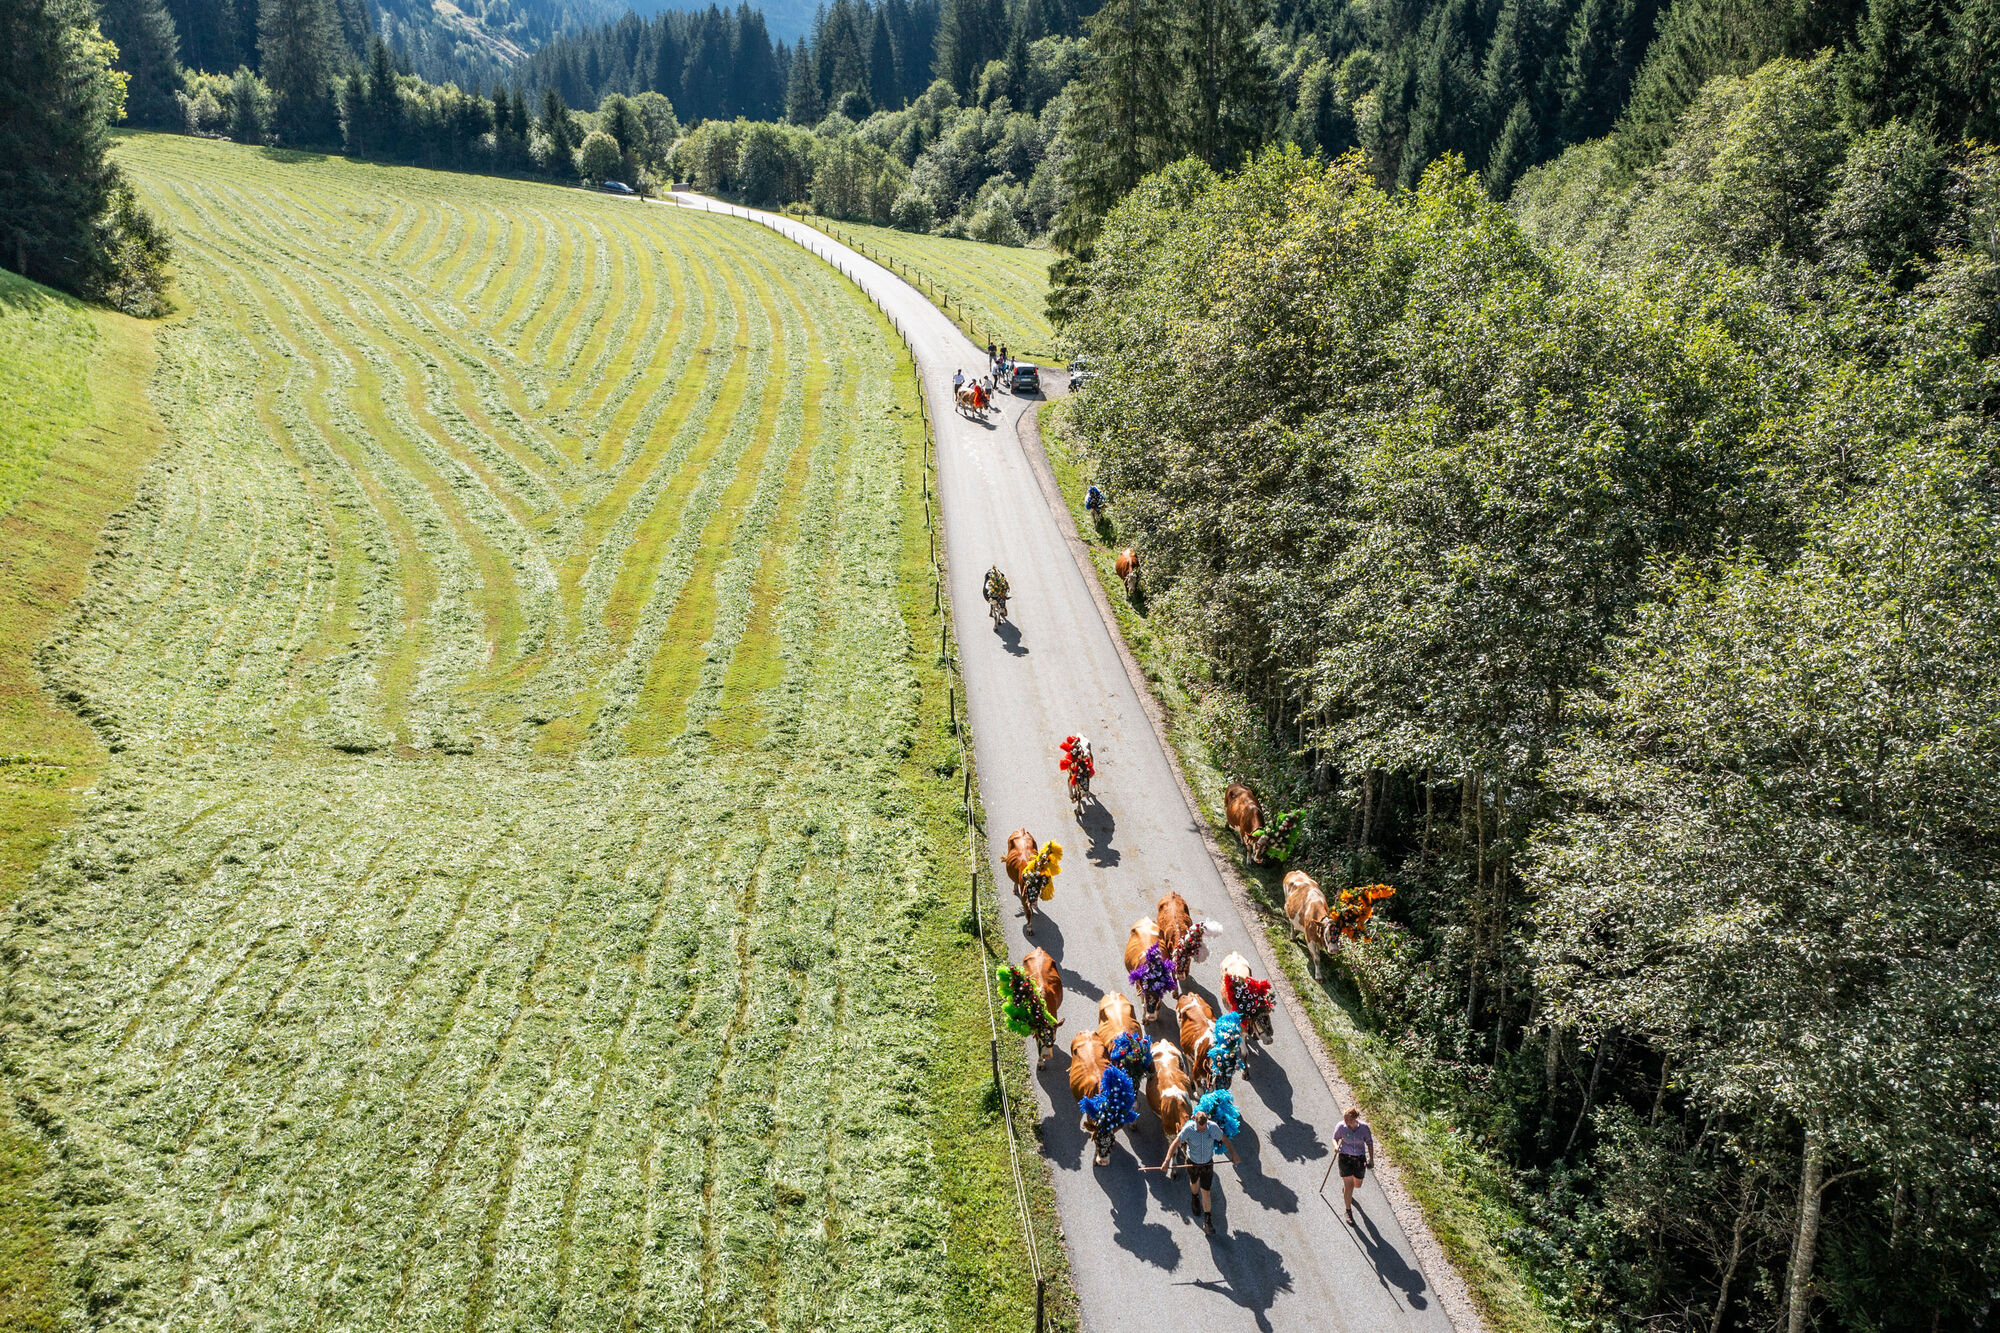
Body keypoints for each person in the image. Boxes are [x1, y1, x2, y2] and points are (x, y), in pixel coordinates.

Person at [1166, 1106, 1237, 1234]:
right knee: (1194, 1183)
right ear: (1195, 1121)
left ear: (1207, 1122)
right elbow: (1175, 1143)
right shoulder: (1188, 1129)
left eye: (1204, 1127)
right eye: (1200, 1128)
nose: (1203, 1130)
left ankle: (1207, 1220)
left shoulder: (1212, 1127)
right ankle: (1194, 1197)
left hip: (1207, 1164)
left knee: (1206, 1191)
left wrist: (1234, 1154)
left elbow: (1224, 1139)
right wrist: (1166, 1161)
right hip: (1192, 1163)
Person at [1333, 1105, 1376, 1223]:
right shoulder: (1341, 1126)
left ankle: (1346, 1190)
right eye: (1344, 1118)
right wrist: (1336, 1146)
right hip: (1345, 1158)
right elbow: (1334, 1138)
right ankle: (1348, 1211)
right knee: (1350, 1185)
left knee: (1357, 1185)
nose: (1345, 1121)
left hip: (1359, 1159)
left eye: (1348, 1119)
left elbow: (1369, 1143)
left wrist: (1371, 1159)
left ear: (1355, 1118)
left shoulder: (1364, 1128)